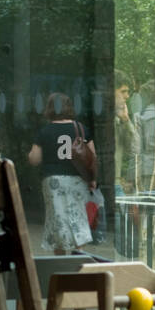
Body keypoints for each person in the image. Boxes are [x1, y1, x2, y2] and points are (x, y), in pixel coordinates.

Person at [28, 93, 95, 254]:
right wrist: (93, 180)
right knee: (78, 216)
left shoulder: (44, 131)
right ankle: (79, 253)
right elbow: (92, 156)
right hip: (78, 180)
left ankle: (60, 257)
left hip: (53, 180)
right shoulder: (81, 129)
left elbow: (34, 159)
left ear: (49, 108)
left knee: (57, 218)